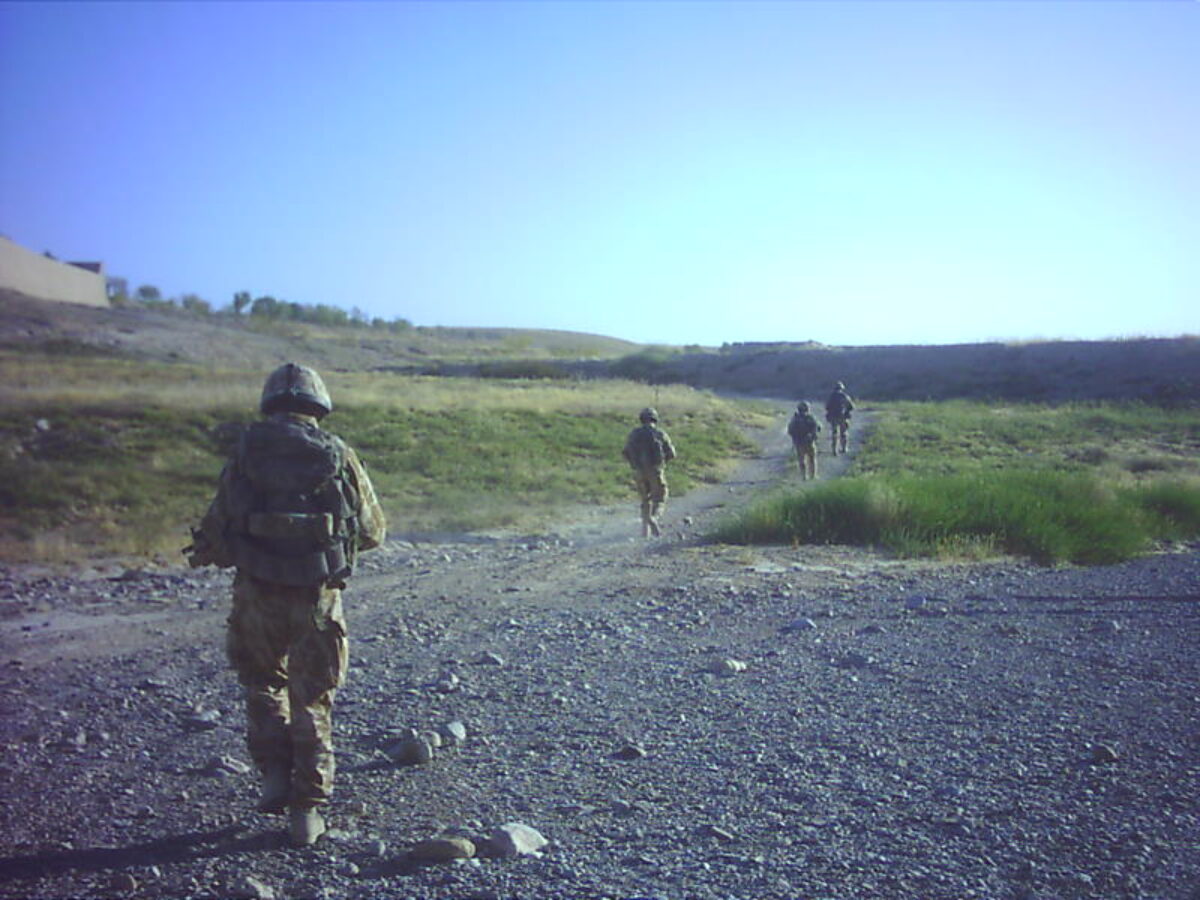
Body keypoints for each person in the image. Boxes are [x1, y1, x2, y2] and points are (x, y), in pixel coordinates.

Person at [186, 363, 386, 846]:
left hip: (256, 593)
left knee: (262, 685)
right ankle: (307, 811)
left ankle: (274, 772)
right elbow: (374, 531)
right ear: (319, 404)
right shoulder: (339, 455)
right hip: (317, 596)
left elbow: (218, 526)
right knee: (312, 700)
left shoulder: (245, 454)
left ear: (269, 400)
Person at [621, 406, 676, 537]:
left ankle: (645, 531)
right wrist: (661, 463)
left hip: (639, 471)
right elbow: (672, 454)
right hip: (656, 470)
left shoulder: (634, 434)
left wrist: (635, 465)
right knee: (660, 497)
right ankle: (654, 518)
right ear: (655, 419)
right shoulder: (660, 434)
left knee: (645, 500)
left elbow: (625, 452)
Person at [787, 401, 821, 480]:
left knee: (801, 460)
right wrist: (813, 435)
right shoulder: (811, 417)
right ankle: (813, 475)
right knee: (812, 458)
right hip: (809, 442)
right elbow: (818, 427)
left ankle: (804, 476)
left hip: (799, 442)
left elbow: (790, 430)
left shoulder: (795, 419)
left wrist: (795, 439)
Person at [824, 381, 854, 456]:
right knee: (843, 433)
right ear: (842, 388)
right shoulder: (845, 396)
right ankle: (844, 448)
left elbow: (827, 407)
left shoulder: (831, 396)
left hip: (833, 417)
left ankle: (834, 449)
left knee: (834, 433)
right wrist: (846, 411)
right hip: (842, 417)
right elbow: (851, 406)